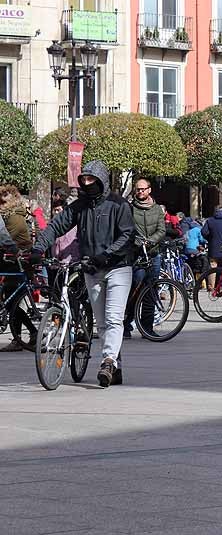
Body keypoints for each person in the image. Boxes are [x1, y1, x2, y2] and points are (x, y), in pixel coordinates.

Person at [32, 161, 135, 387]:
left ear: (102, 180)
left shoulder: (119, 205)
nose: (87, 184)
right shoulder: (79, 206)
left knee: (113, 317)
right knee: (101, 324)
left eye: (91, 179)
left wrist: (106, 255)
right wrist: (39, 248)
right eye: (84, 179)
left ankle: (107, 362)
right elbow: (56, 226)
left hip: (118, 268)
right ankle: (115, 366)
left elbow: (127, 235)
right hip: (91, 269)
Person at [125, 178, 166, 339]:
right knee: (134, 289)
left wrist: (151, 241)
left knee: (151, 290)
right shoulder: (129, 208)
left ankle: (147, 327)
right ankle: (126, 323)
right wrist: (136, 241)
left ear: (149, 190)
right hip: (137, 255)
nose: (140, 192)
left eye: (143, 189)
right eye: (138, 189)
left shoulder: (156, 209)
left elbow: (162, 230)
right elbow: (126, 229)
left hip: (153, 254)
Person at [0, 185, 34, 351]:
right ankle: (23, 337)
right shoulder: (8, 216)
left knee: (11, 301)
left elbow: (6, 240)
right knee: (11, 301)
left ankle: (22, 338)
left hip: (20, 262)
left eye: (5, 195)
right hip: (13, 261)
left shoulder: (13, 217)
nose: (2, 199)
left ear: (13, 198)